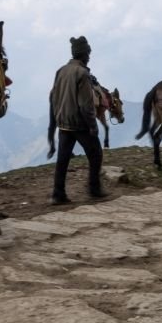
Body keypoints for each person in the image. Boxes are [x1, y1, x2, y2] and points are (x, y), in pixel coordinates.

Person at [47, 35, 107, 204]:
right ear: (83, 54)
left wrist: (57, 118)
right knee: (96, 154)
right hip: (79, 124)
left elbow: (53, 96)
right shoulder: (82, 73)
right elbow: (85, 105)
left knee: (63, 159)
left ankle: (58, 194)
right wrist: (93, 126)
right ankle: (94, 188)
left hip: (63, 123)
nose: (89, 56)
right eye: (88, 53)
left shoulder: (61, 71)